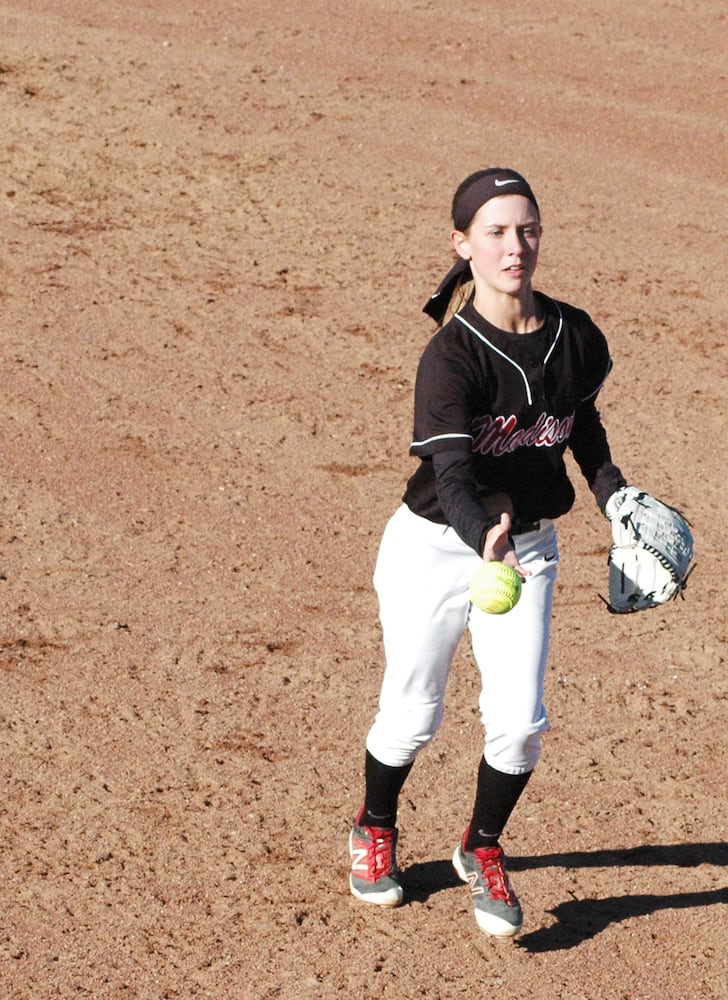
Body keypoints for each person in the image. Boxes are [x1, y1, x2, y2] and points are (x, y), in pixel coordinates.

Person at [348, 168, 627, 938]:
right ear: (463, 244)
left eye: (528, 229)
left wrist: (617, 497)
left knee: (520, 721)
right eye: (498, 231)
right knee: (413, 711)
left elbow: (580, 425)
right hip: (435, 548)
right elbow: (454, 475)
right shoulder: (452, 356)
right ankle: (374, 826)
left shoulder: (575, 334)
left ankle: (482, 843)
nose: (517, 246)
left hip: (529, 547)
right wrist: (484, 540)